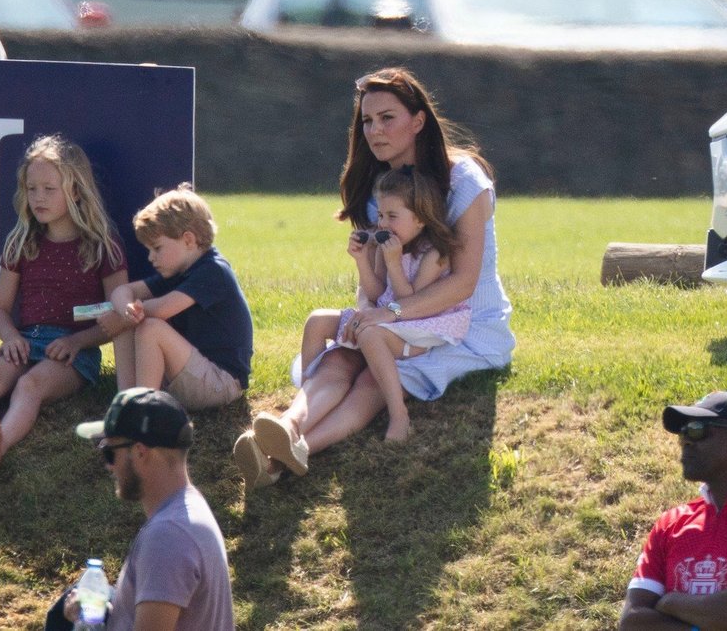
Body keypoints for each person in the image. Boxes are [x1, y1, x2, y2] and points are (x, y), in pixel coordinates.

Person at [232, 66, 514, 490]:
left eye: (388, 118)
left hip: (461, 326)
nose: (375, 130)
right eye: (367, 120)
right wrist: (367, 317)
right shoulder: (375, 188)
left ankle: (293, 453)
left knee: (372, 376)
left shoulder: (464, 181)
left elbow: (462, 283)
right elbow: (375, 281)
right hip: (393, 313)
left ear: (418, 122)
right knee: (343, 355)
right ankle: (287, 428)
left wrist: (391, 316)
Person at [0, 134, 128, 472]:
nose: (38, 198)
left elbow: (118, 313)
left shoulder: (102, 244)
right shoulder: (21, 241)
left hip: (74, 354)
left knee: (31, 385)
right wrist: (11, 338)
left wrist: (77, 341)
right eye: (31, 189)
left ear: (75, 190)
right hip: (26, 342)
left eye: (49, 189)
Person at [295, 166, 470, 443]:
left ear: (421, 219)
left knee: (369, 333)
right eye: (380, 215)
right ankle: (306, 398)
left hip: (417, 325)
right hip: (384, 317)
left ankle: (399, 414)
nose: (383, 223)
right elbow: (377, 293)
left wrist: (393, 263)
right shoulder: (387, 243)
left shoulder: (434, 253)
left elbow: (409, 302)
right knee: (317, 321)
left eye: (392, 216)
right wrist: (363, 260)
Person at [618, 391, 727, 630]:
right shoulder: (670, 524)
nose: (686, 440)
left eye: (697, 429)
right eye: (683, 433)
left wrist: (670, 602)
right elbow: (632, 621)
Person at [62, 387, 235, 631]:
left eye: (110, 453)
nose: (110, 467)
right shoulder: (188, 512)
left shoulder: (167, 536)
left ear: (140, 452)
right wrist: (97, 617)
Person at [98, 183, 253, 412]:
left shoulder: (213, 271)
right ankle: (126, 409)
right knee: (129, 323)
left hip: (220, 382)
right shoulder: (177, 270)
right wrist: (123, 310)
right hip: (191, 374)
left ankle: (143, 418)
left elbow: (162, 309)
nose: (151, 258)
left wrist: (124, 316)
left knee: (150, 328)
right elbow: (123, 292)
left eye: (157, 248)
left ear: (188, 240)